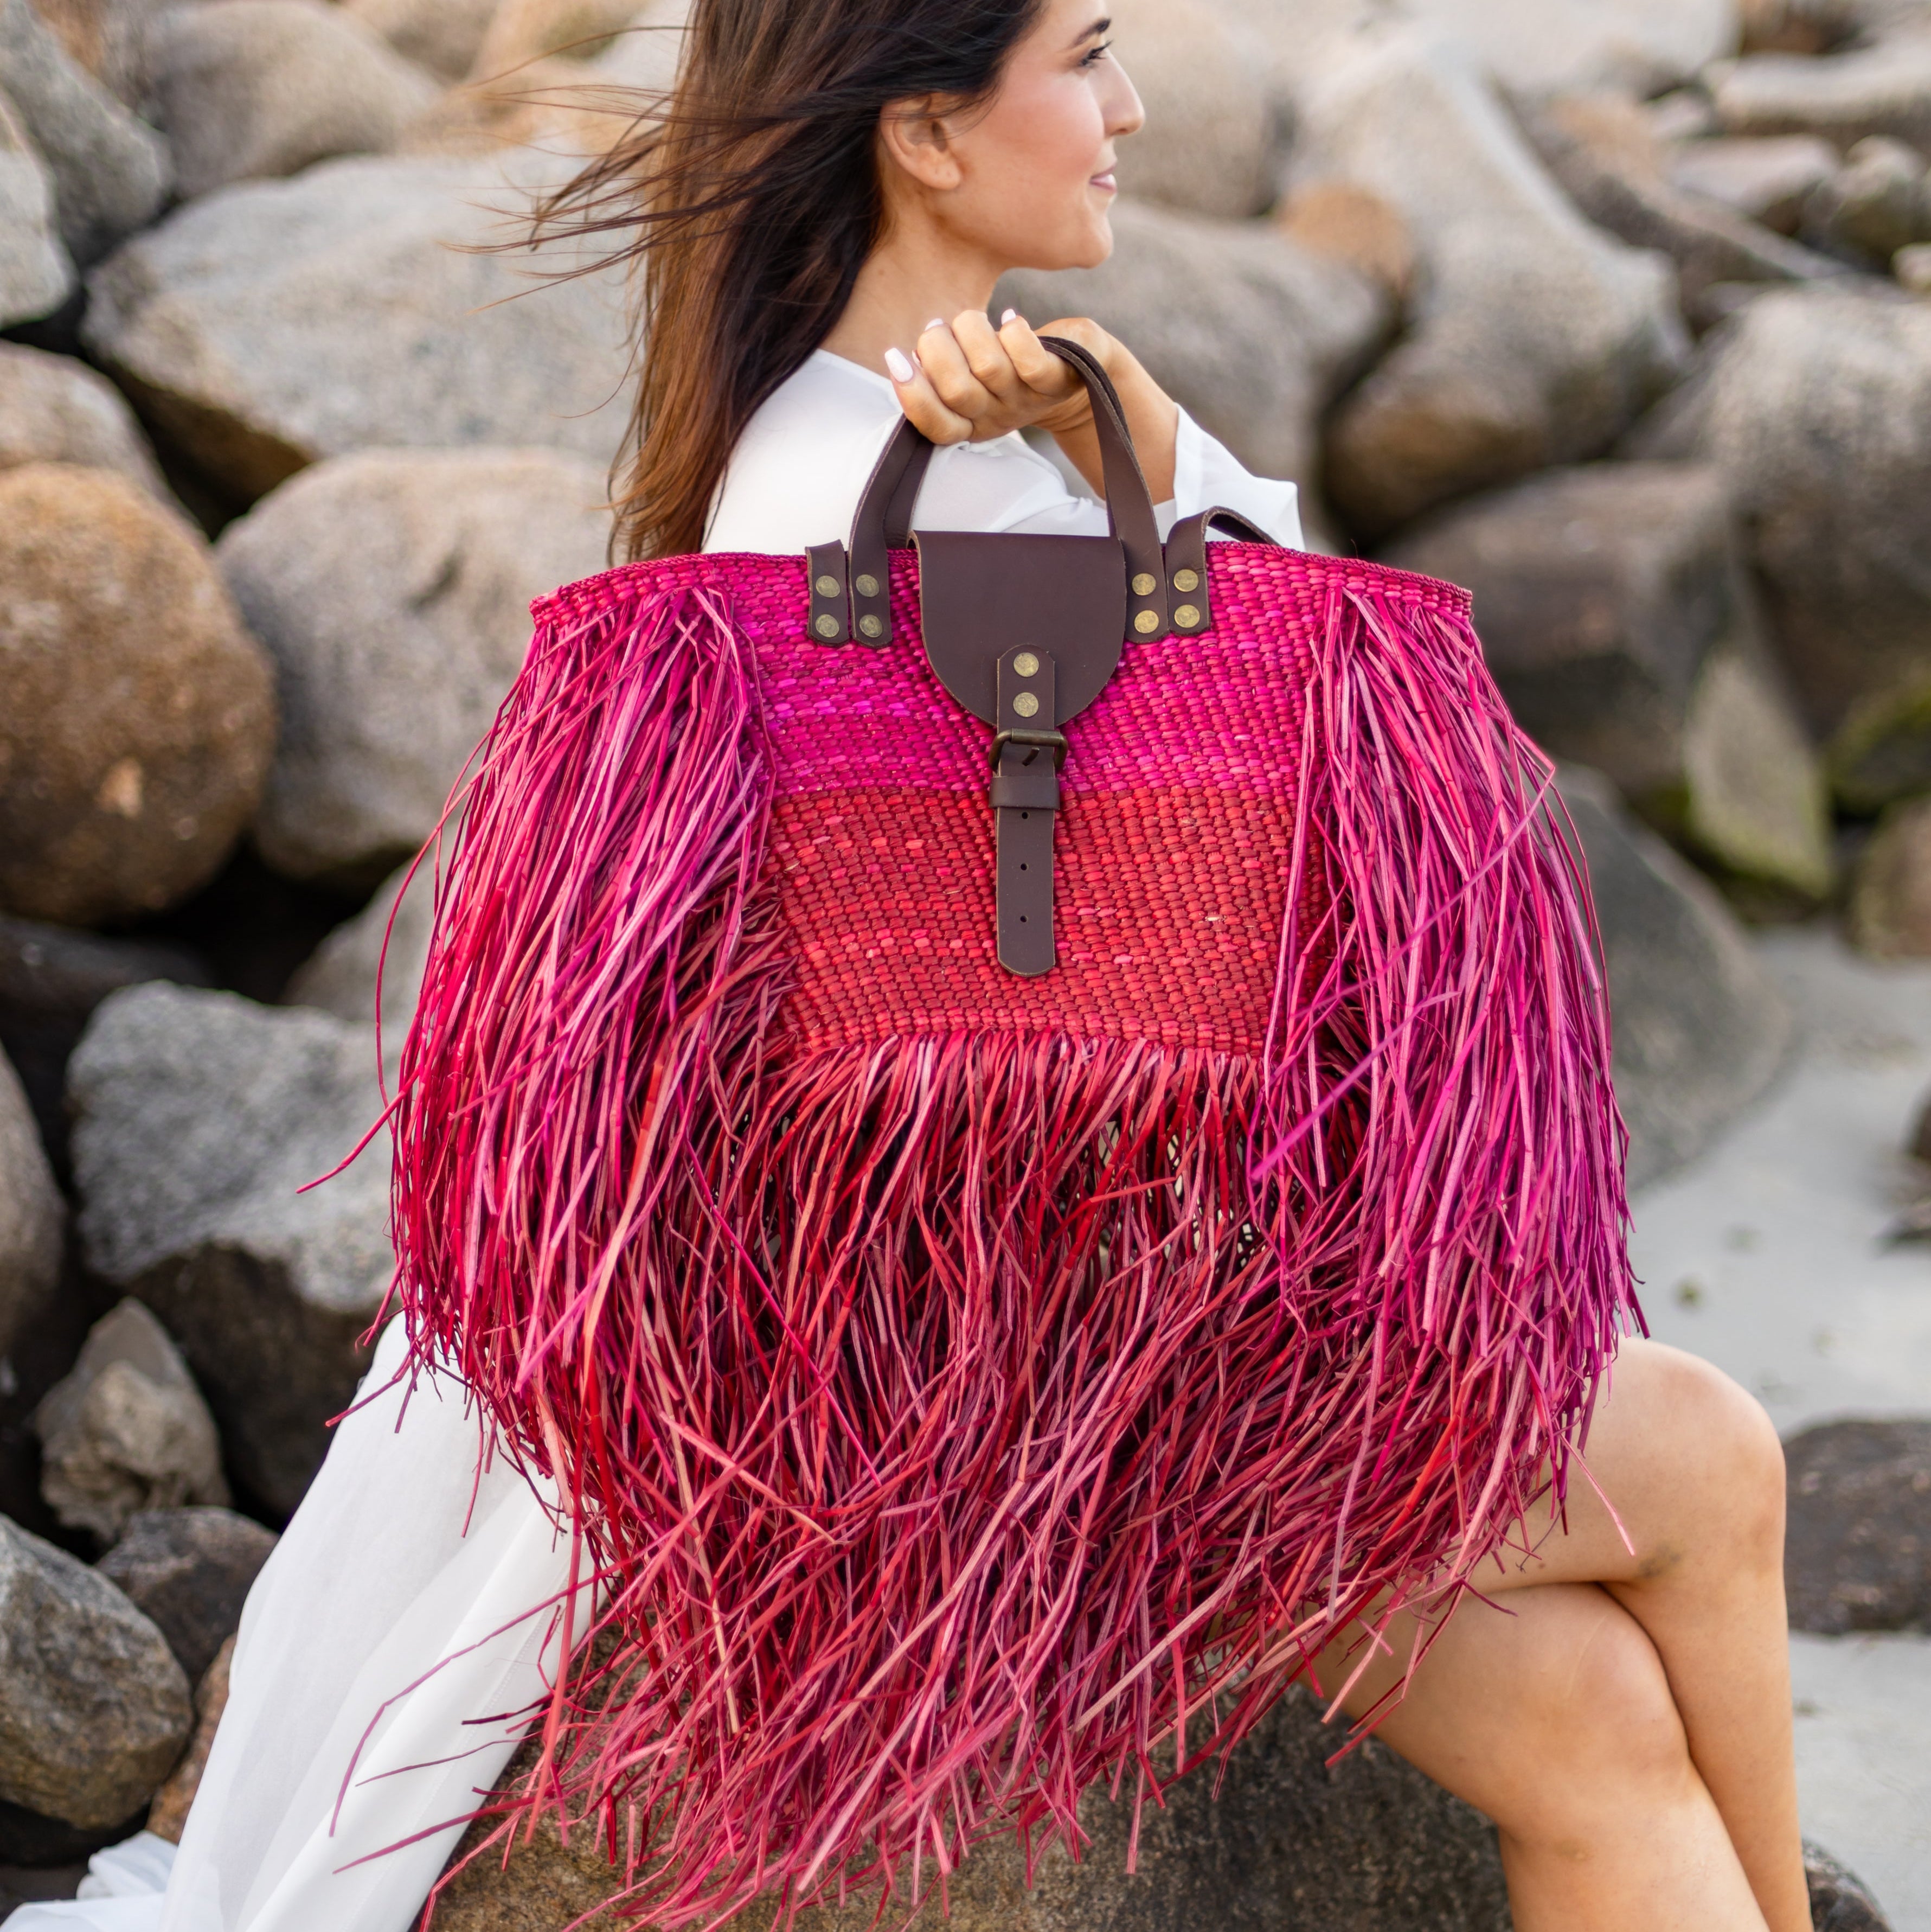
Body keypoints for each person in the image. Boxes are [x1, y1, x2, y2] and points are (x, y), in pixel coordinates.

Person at [8, 1, 1808, 1928]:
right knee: (1707, 1454)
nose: (1128, 108)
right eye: (1086, 55)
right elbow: (1225, 871)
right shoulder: (844, 496)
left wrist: (1133, 430)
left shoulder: (880, 444)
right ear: (926, 133)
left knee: (1602, 1730)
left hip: (1059, 1335)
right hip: (990, 1393)